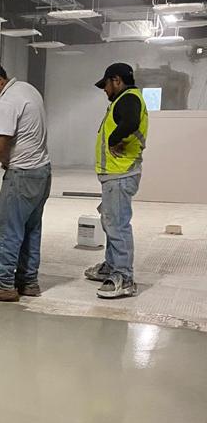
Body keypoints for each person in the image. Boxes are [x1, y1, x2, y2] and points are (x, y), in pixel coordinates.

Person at [0, 61, 52, 302]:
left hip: (21, 175)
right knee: (31, 229)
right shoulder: (27, 89)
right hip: (42, 172)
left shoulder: (6, 101)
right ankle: (28, 282)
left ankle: (3, 284)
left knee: (7, 231)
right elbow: (23, 124)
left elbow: (0, 144)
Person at [85, 63, 149, 299]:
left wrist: (113, 139)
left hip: (121, 174)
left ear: (117, 80)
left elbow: (130, 122)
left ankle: (124, 277)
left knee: (118, 226)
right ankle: (111, 267)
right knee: (111, 222)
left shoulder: (128, 98)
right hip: (115, 174)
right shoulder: (124, 100)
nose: (105, 90)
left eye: (106, 85)